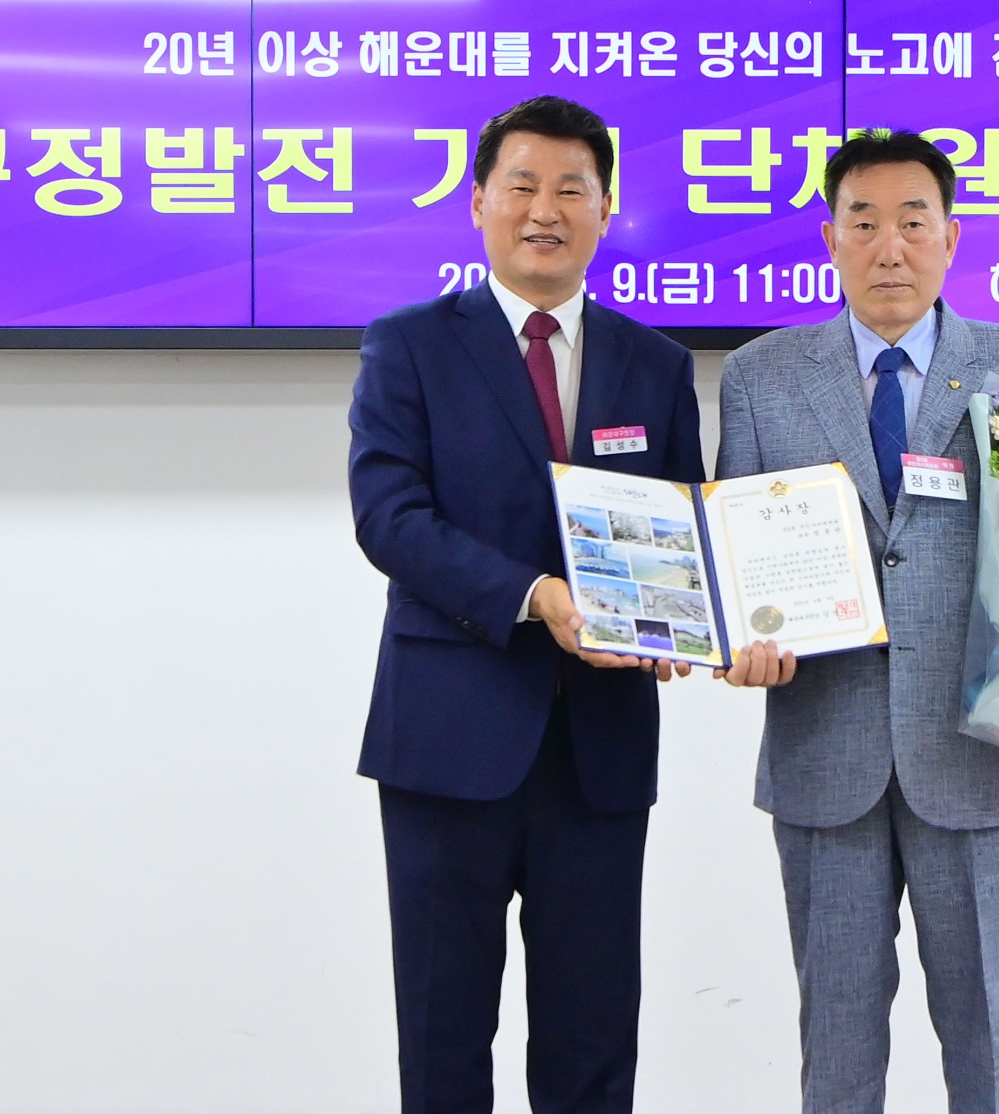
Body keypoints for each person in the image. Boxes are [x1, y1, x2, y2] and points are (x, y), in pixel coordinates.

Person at [716, 129, 999, 1112]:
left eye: (912, 221)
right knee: (836, 1049)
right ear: (830, 239)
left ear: (951, 237)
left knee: (987, 1042)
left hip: (980, 756)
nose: (888, 247)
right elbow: (737, 555)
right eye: (863, 223)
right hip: (825, 755)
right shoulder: (762, 377)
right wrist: (735, 640)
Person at [348, 95, 703, 1113]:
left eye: (572, 189)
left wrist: (688, 621)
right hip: (446, 743)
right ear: (478, 202)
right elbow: (388, 517)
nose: (546, 209)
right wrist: (536, 595)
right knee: (444, 1040)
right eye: (523, 186)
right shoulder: (410, 345)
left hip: (599, 748)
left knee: (593, 1046)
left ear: (606, 209)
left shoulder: (656, 364)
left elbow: (683, 528)